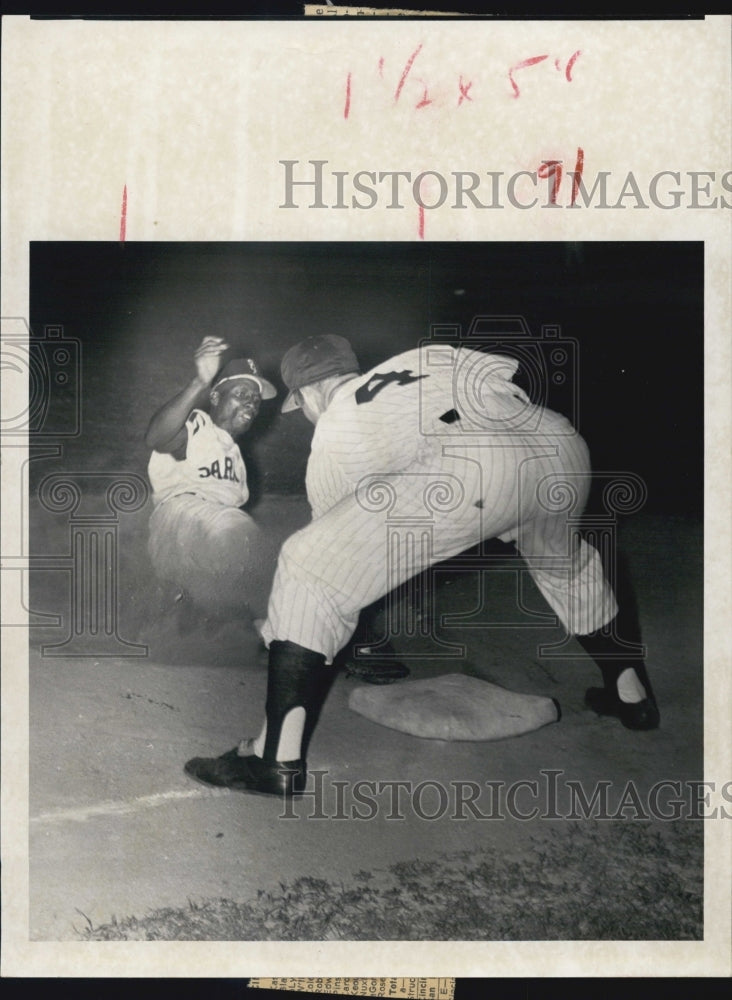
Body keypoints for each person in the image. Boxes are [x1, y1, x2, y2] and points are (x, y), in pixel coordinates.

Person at [184, 334, 660, 797]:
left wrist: (283, 624)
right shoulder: (423, 357)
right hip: (558, 445)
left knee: (306, 567)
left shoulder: (336, 423)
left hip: (472, 465)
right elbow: (501, 381)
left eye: (301, 404)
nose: (306, 415)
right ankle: (630, 694)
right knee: (566, 567)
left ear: (312, 390)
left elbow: (330, 562)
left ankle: (273, 761)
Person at [144, 336, 277, 625]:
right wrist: (199, 383)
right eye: (241, 393)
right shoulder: (198, 425)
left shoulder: (237, 457)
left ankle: (183, 610)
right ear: (216, 397)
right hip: (182, 520)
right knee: (240, 532)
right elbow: (156, 438)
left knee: (213, 626)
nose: (251, 404)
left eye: (255, 400)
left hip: (195, 540)